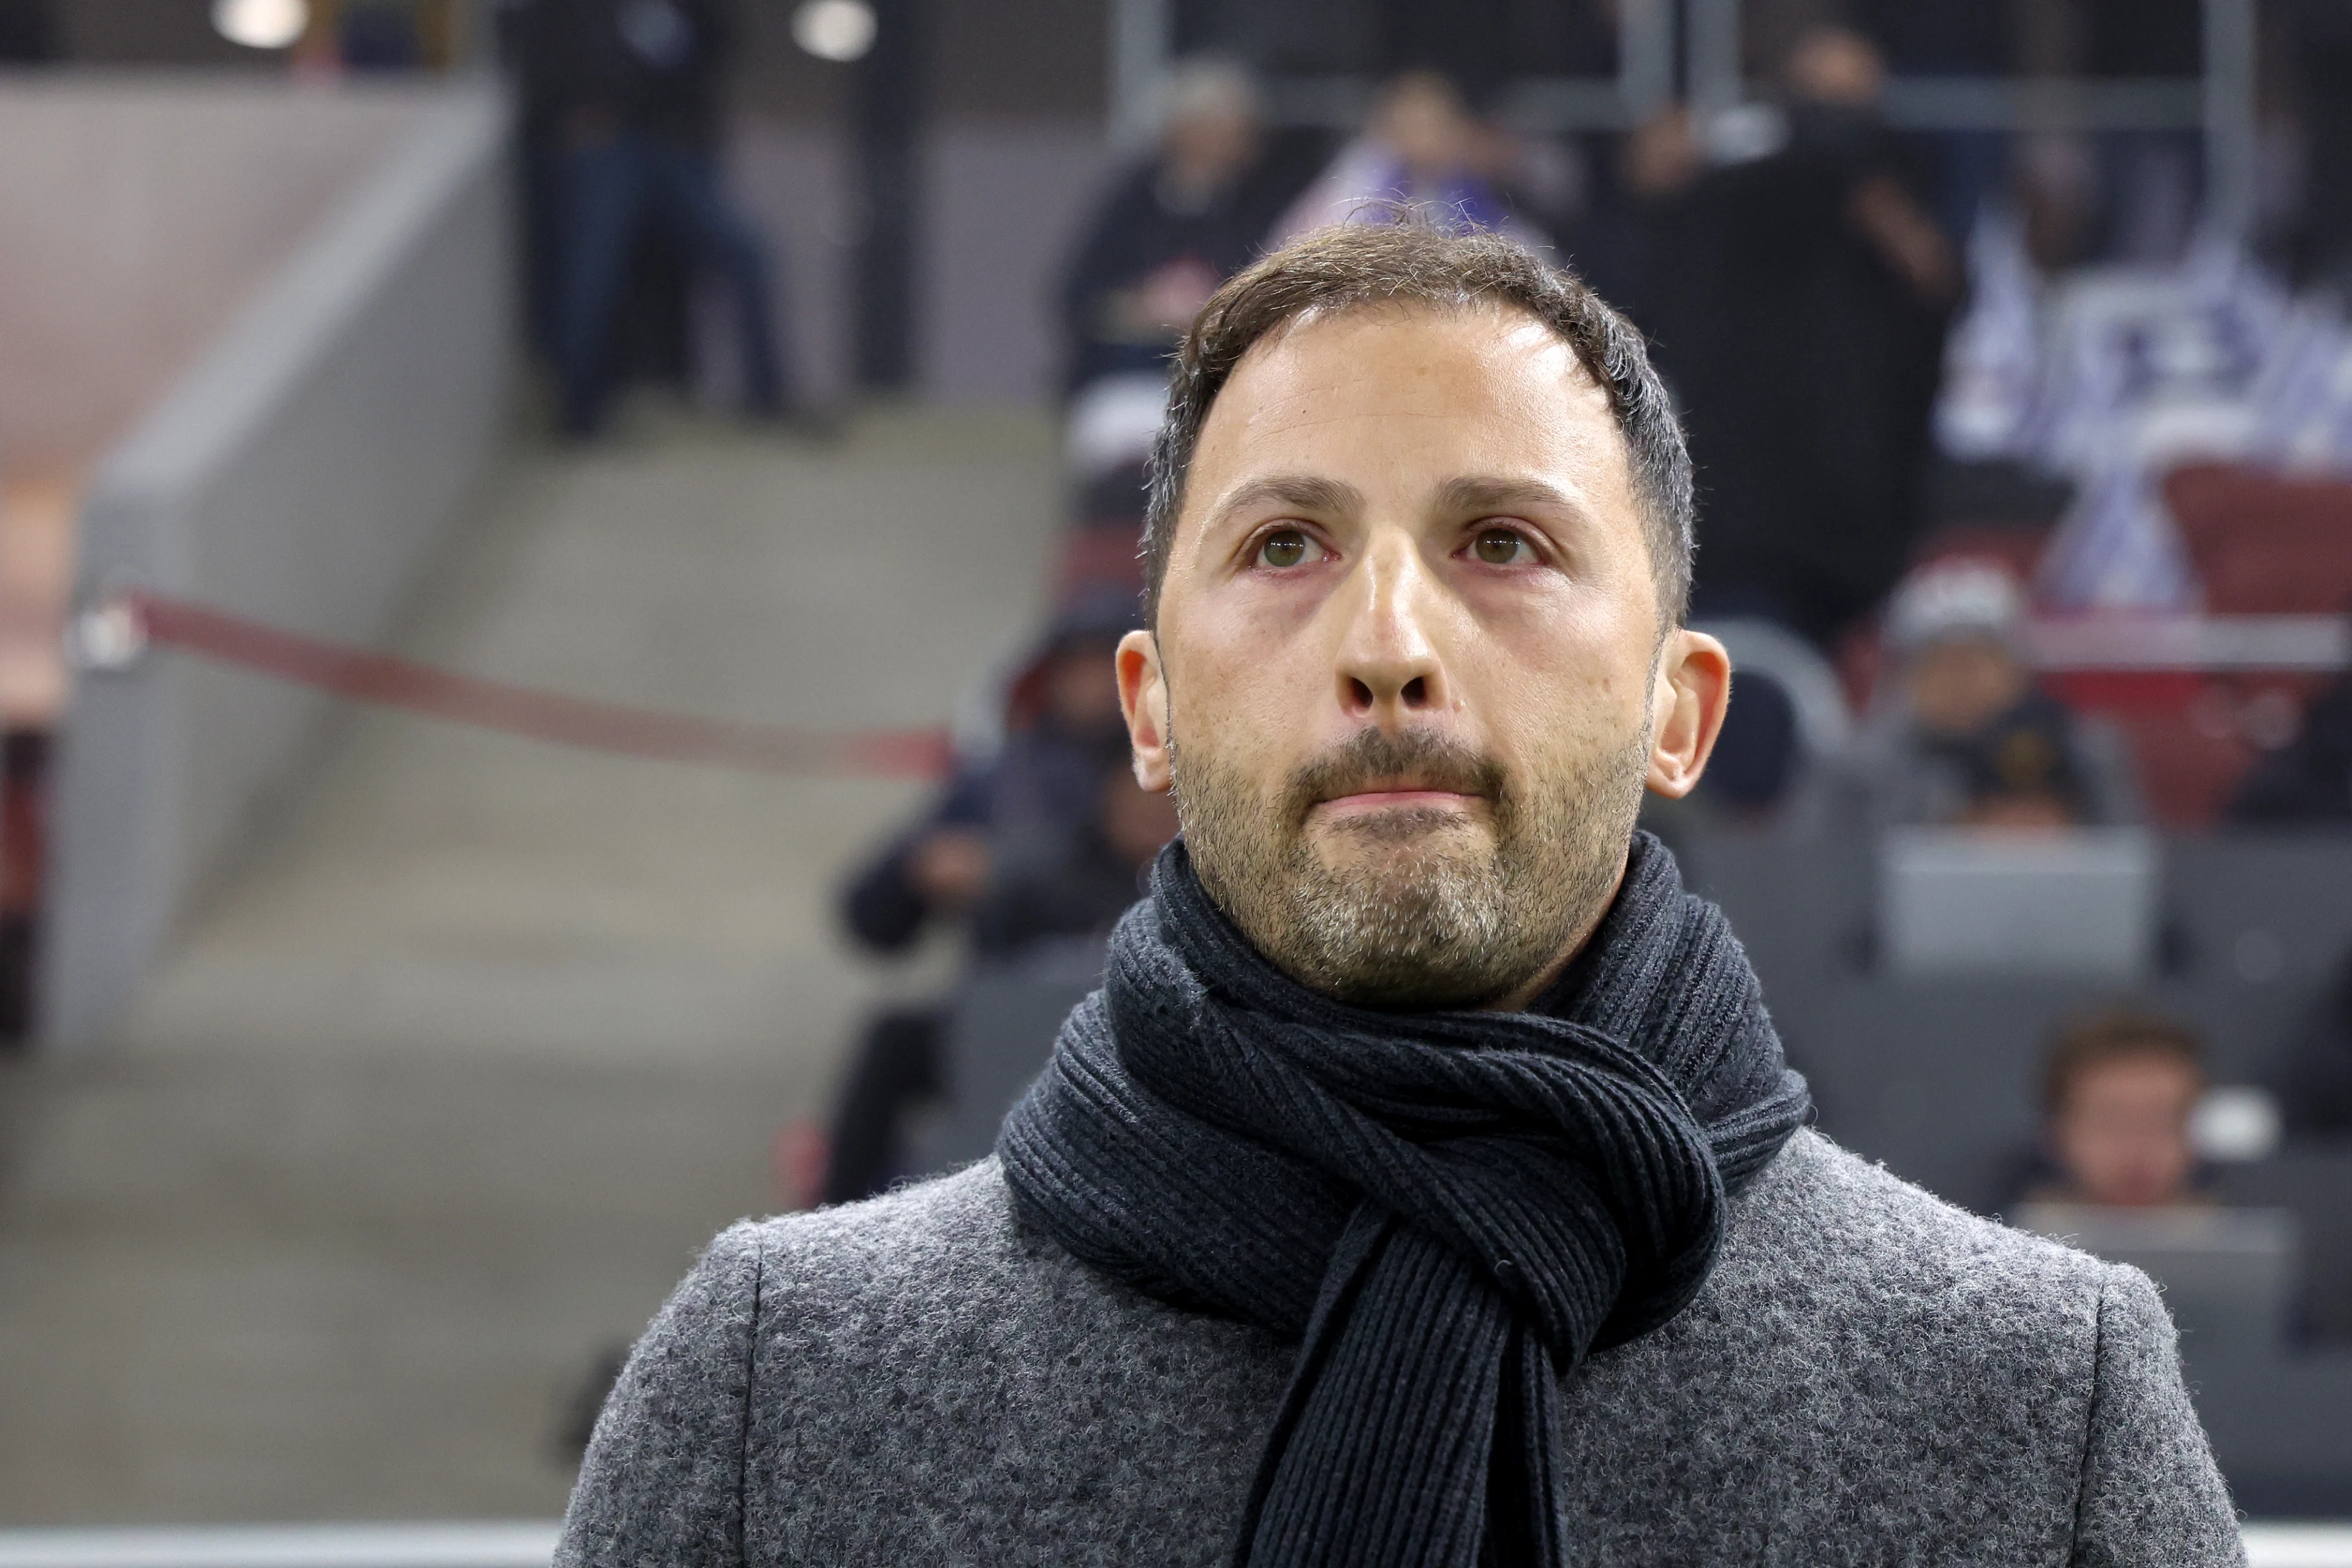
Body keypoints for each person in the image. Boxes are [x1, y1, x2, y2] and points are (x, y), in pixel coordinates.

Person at [559, 223, 2235, 1564]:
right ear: (1149, 705)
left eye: (1502, 543)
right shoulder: (784, 1386)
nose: (1387, 649)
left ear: (1682, 713)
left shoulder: (2036, 1405)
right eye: (1286, 546)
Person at [1637, 28, 1958, 647]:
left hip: (1844, 537)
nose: (1835, 128)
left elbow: (1936, 298)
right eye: (1821, 101)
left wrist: (1886, 214)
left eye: (1853, 104)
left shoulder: (1891, 207)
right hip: (1725, 516)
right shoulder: (1724, 197)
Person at [515, 0, 791, 435]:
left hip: (670, 142)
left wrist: (687, 113)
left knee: (746, 253)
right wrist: (569, 111)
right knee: (591, 271)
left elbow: (719, 42)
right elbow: (539, 51)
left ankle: (768, 396)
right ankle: (580, 411)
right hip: (603, 141)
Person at [1836, 559, 2141, 829]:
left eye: (1979, 659)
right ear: (1904, 677)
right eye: (1940, 660)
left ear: (2019, 671)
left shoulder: (2082, 750)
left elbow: (2132, 859)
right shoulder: (1859, 770)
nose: (1960, 681)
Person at [1058, 59, 1274, 401]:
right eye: (1221, 129)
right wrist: (1137, 308)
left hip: (1217, 371)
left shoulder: (1260, 202)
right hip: (1126, 370)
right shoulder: (1132, 199)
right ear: (1183, 130)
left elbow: (1269, 280)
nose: (1239, 143)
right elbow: (1076, 294)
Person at [1268, 72, 1538, 247]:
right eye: (1410, 125)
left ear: (1457, 129)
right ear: (1386, 129)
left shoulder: (1480, 185)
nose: (1423, 138)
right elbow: (1293, 249)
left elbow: (1531, 254)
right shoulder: (1357, 181)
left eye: (1434, 124)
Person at [2024, 1008, 2211, 1209]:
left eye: (2162, 1123)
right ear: (2056, 1133)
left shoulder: (2246, 1236)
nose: (2138, 1150)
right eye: (2110, 1124)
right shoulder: (1999, 1236)